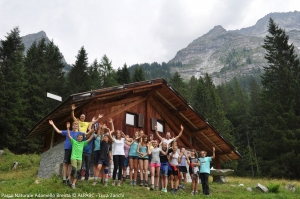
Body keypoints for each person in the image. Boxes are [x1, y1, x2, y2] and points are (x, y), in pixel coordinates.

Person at [49, 120, 85, 185]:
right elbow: (58, 131)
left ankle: (69, 178)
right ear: (72, 126)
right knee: (66, 164)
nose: (75, 126)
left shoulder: (79, 133)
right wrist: (52, 124)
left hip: (74, 151)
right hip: (68, 148)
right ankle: (64, 179)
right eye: (74, 125)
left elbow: (86, 135)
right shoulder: (68, 131)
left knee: (71, 165)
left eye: (77, 125)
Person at [66, 122, 94, 189]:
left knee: (78, 172)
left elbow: (90, 139)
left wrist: (93, 132)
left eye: (81, 137)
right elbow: (69, 136)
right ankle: (70, 179)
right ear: (77, 137)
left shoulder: (83, 143)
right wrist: (67, 128)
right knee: (74, 170)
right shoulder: (74, 141)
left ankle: (73, 184)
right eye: (79, 137)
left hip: (80, 159)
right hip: (73, 158)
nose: (80, 138)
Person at [107, 119, 132, 186]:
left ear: (121, 134)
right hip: (115, 155)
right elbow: (110, 135)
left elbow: (129, 142)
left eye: (119, 133)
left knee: (121, 167)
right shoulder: (114, 139)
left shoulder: (123, 139)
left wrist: (124, 135)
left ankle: (119, 181)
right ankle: (113, 180)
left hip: (122, 155)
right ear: (116, 134)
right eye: (117, 133)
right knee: (115, 167)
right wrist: (111, 123)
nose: (118, 134)